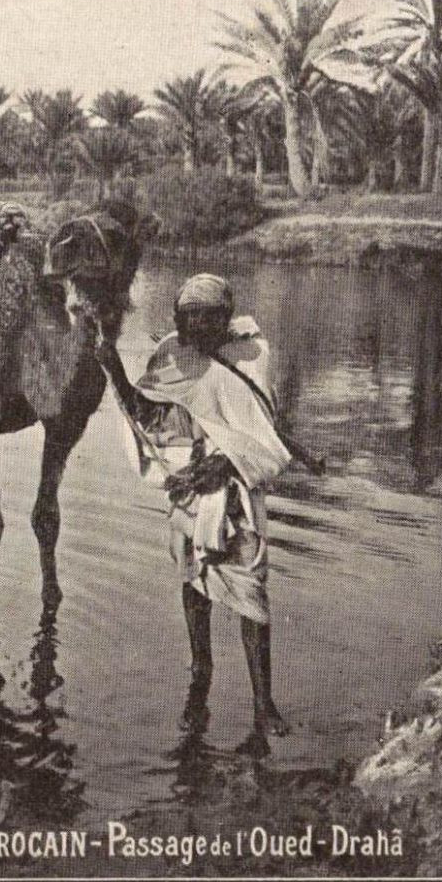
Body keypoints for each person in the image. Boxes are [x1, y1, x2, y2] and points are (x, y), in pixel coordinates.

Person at [94, 273, 293, 743]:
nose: (195, 325)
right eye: (187, 317)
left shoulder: (251, 356)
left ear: (224, 319)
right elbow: (150, 418)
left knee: (251, 587)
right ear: (178, 318)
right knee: (194, 578)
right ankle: (200, 676)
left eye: (206, 317)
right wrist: (115, 372)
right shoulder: (171, 356)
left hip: (235, 491)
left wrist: (223, 465)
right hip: (189, 489)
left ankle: (263, 703)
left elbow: (263, 436)